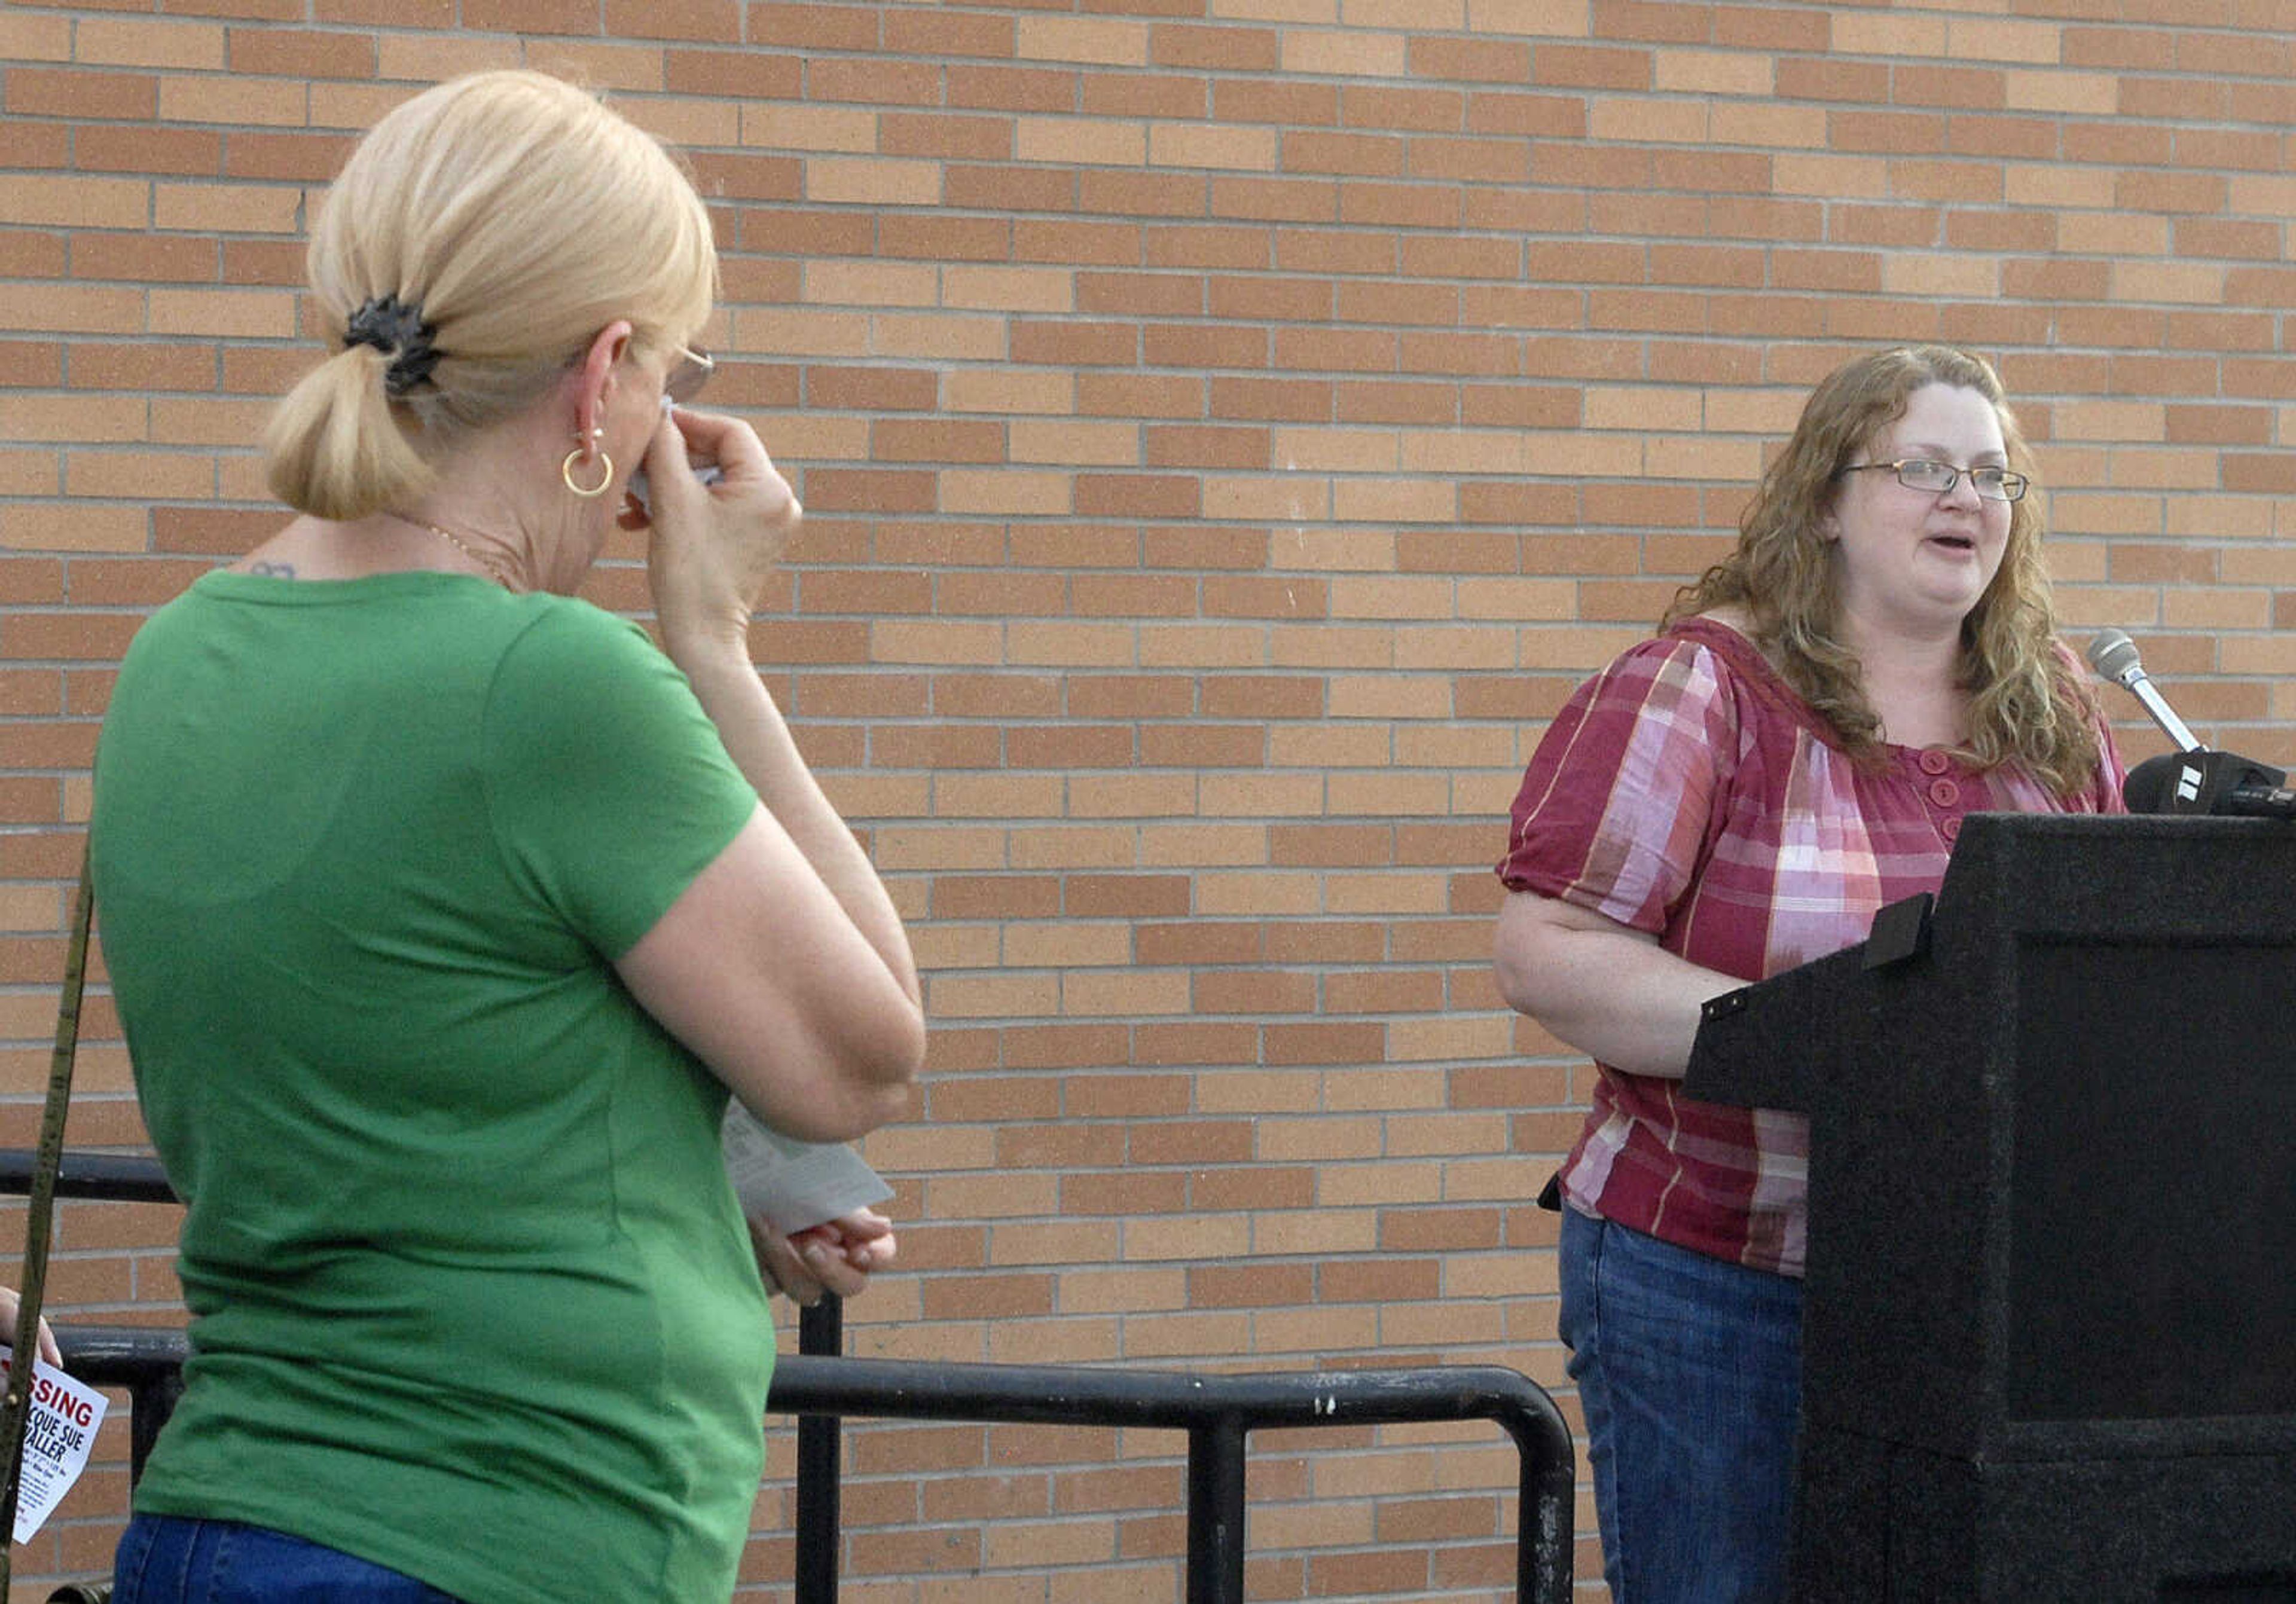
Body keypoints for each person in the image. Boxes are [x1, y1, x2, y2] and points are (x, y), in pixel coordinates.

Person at [87, 71, 924, 1604]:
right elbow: (863, 1053)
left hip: (223, 1518)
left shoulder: (175, 659)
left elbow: (406, 1087)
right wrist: (714, 639)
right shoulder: (550, 685)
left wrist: (704, 1203)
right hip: (498, 1538)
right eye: (675, 366)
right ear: (605, 377)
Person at [1491, 346, 2123, 1602]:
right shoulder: (1702, 688)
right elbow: (1545, 952)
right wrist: (1820, 1036)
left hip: (1969, 1302)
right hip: (1719, 1284)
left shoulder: (2052, 706)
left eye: (1996, 476)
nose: (1969, 498)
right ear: (1827, 501)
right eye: (1925, 467)